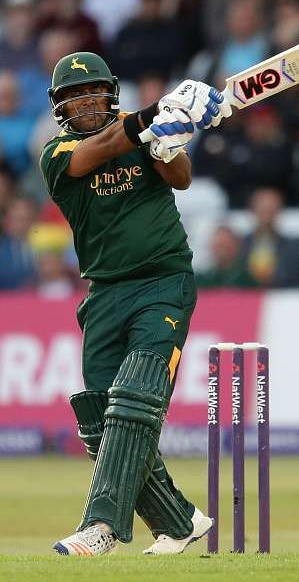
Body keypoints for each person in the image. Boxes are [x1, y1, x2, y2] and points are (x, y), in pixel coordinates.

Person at [39, 51, 232, 556]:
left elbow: (181, 177)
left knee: (133, 400)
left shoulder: (140, 130)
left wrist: (169, 142)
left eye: (93, 92)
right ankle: (179, 520)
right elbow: (101, 148)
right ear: (59, 106)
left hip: (163, 283)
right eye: (73, 96)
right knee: (100, 420)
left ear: (109, 93)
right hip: (104, 293)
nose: (84, 102)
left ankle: (101, 524)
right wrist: (156, 116)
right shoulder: (57, 156)